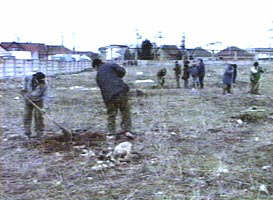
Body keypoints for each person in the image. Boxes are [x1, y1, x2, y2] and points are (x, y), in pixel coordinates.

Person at [93, 59, 135, 140]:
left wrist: (106, 101)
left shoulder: (98, 76)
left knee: (111, 114)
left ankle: (111, 133)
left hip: (109, 96)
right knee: (125, 111)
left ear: (96, 66)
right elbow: (122, 71)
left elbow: (102, 89)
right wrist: (117, 77)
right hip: (120, 91)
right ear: (101, 62)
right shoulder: (111, 64)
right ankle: (127, 131)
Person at [20, 72, 47, 138]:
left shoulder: (45, 84)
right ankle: (27, 132)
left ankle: (39, 132)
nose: (41, 82)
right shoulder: (28, 77)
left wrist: (43, 108)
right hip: (28, 99)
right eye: (39, 81)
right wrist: (23, 92)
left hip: (39, 100)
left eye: (42, 81)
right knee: (27, 115)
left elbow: (45, 95)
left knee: (39, 116)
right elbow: (23, 87)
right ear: (35, 79)